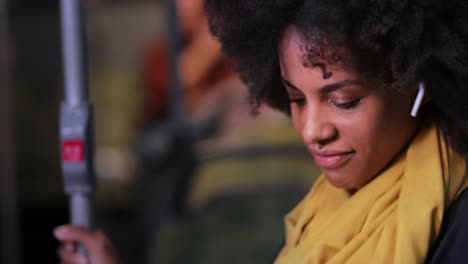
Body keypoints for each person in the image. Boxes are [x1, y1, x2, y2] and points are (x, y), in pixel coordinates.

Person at [55, 0, 468, 263]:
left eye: (343, 100)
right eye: (296, 99)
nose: (310, 131)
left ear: (418, 82)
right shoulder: (325, 209)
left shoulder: (455, 225)